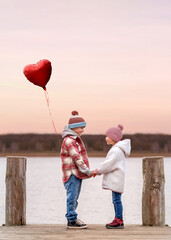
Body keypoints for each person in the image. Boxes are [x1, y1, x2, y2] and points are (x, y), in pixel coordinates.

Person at [60, 111, 94, 229]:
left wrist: (85, 170)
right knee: (72, 197)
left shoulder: (74, 140)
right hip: (71, 174)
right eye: (81, 127)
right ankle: (71, 220)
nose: (83, 130)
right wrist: (87, 170)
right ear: (73, 128)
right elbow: (77, 157)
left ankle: (73, 217)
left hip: (77, 174)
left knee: (75, 197)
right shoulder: (69, 141)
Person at [94, 124, 131, 229]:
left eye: (107, 136)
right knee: (116, 199)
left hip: (116, 179)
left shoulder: (116, 151)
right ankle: (117, 218)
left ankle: (119, 220)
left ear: (114, 138)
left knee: (116, 200)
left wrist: (97, 171)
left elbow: (108, 164)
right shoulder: (117, 149)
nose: (106, 138)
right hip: (117, 178)